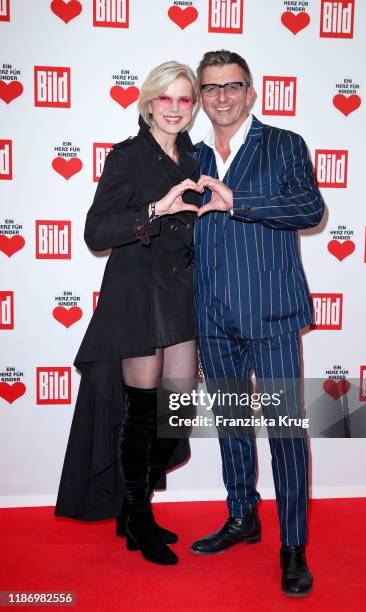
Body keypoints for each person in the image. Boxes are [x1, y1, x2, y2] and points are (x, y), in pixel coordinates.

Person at [55, 61, 201, 566]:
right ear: (149, 102)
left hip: (180, 293)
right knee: (141, 415)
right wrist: (155, 211)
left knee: (176, 413)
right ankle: (137, 516)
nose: (176, 109)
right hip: (137, 292)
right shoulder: (127, 156)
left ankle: (131, 507)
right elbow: (97, 233)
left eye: (185, 99)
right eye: (167, 99)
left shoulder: (193, 158)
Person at [190, 50, 324, 597]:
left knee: (286, 432)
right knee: (232, 424)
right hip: (211, 316)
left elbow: (309, 209)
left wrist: (236, 200)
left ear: (250, 92)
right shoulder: (191, 154)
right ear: (200, 97)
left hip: (270, 313)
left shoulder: (283, 144)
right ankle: (243, 516)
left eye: (232, 86)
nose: (221, 96)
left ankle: (293, 546)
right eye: (210, 88)